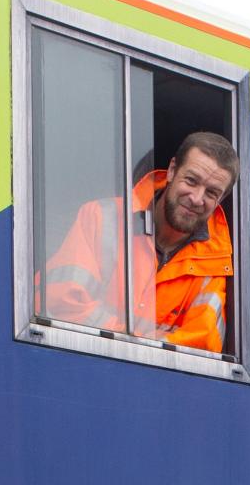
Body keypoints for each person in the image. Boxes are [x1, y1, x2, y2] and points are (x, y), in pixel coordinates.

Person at [40, 131, 236, 353]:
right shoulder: (102, 218)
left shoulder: (215, 265)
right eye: (191, 181)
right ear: (172, 170)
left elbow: (203, 347)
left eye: (211, 193)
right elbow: (60, 303)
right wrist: (143, 342)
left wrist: (117, 334)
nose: (197, 198)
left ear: (221, 199)